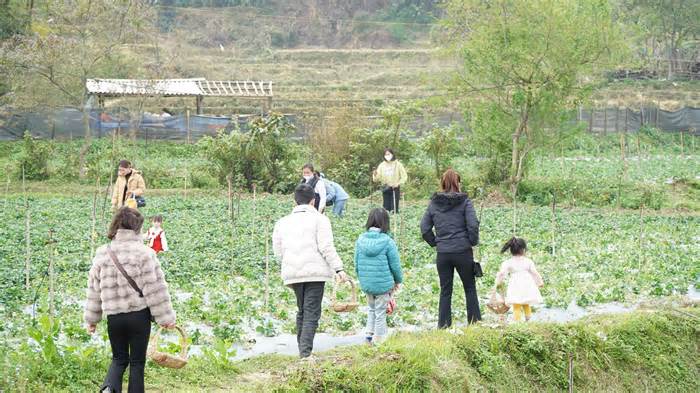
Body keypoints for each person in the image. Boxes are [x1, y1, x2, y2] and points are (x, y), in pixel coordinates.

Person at [84, 208, 176, 393]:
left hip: (114, 318)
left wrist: (91, 320)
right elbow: (155, 290)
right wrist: (165, 318)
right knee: (137, 363)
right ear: (136, 228)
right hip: (138, 317)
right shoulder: (145, 253)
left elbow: (94, 289)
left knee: (118, 359)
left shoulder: (103, 253)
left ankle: (108, 389)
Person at [272, 184, 349, 358]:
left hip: (292, 273)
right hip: (315, 273)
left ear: (295, 201)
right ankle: (305, 354)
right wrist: (338, 268)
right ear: (313, 201)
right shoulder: (320, 220)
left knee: (302, 310)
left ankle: (303, 351)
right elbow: (326, 247)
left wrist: (288, 262)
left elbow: (278, 250)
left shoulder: (282, 222)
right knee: (312, 311)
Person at [420, 169, 481, 328]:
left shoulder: (434, 203)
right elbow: (473, 225)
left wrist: (435, 243)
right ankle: (474, 324)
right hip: (462, 251)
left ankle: (444, 326)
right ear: (457, 183)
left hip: (444, 253)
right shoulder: (465, 202)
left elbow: (424, 228)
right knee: (469, 287)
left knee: (445, 290)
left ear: (443, 183)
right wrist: (471, 242)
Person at [355, 208, 403, 345]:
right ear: (385, 222)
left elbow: (356, 264)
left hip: (367, 284)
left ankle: (369, 337)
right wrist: (398, 280)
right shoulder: (388, 241)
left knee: (371, 309)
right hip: (383, 285)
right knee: (381, 313)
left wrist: (363, 279)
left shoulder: (360, 240)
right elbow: (395, 265)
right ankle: (380, 341)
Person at [495, 237, 544, 322]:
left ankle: (518, 322)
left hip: (515, 285)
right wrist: (540, 281)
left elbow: (502, 273)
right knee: (526, 303)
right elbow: (535, 273)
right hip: (527, 285)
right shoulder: (528, 261)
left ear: (511, 250)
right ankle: (528, 320)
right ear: (523, 250)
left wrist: (497, 283)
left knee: (516, 303)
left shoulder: (508, 262)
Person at [373, 148, 407, 213]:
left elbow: (404, 176)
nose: (387, 156)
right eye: (386, 154)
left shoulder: (398, 164)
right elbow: (377, 179)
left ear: (392, 154)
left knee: (394, 208)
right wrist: (375, 175)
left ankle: (394, 220)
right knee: (385, 208)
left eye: (389, 154)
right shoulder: (382, 165)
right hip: (385, 187)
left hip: (395, 188)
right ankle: (386, 222)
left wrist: (398, 183)